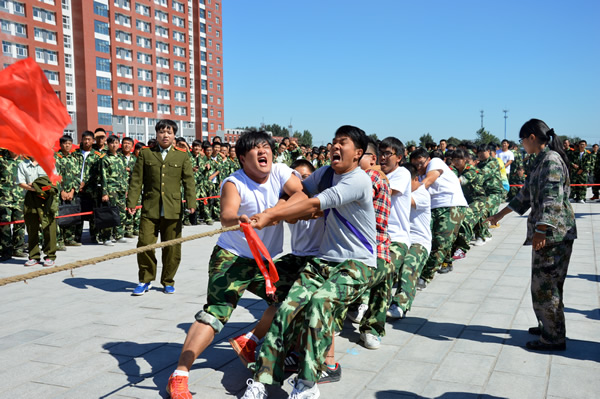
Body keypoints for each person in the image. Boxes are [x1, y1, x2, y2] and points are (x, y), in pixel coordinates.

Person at [165, 130, 304, 399]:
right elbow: (227, 215)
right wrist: (241, 219)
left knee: (295, 300)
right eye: (255, 149)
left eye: (267, 147)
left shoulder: (279, 171)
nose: (263, 152)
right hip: (232, 259)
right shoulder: (233, 182)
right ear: (242, 158)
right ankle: (179, 374)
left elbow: (299, 194)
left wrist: (273, 212)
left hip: (267, 260)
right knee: (215, 314)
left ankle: (250, 341)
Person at [241, 125, 376, 399]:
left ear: (358, 153)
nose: (335, 147)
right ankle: (261, 381)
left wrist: (272, 217)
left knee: (319, 304)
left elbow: (314, 204)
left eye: (343, 143)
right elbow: (300, 191)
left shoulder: (358, 180)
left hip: (357, 263)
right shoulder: (326, 173)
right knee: (285, 310)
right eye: (334, 142)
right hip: (324, 259)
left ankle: (307, 384)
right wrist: (275, 210)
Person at [487, 119, 576, 351]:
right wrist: (499, 215)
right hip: (549, 233)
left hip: (553, 234)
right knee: (544, 283)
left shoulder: (551, 161)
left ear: (532, 138)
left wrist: (541, 230)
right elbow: (525, 195)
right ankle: (548, 325)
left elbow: (552, 199)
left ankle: (553, 337)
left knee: (546, 285)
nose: (522, 145)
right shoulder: (541, 160)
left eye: (522, 140)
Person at [126, 119, 196, 295]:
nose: (165, 135)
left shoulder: (182, 155)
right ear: (156, 134)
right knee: (145, 243)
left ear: (174, 136)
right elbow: (136, 180)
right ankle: (145, 280)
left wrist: (191, 202)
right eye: (162, 132)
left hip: (173, 208)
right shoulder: (146, 154)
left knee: (172, 247)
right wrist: (132, 202)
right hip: (150, 207)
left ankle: (168, 280)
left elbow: (188, 181)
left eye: (169, 132)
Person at [410, 148, 468, 288]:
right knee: (428, 239)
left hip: (451, 206)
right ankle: (445, 262)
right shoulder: (419, 175)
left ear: (428, 160)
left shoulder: (435, 162)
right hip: (433, 208)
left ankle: (424, 277)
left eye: (421, 164)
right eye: (415, 166)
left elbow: (429, 180)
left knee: (441, 242)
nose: (419, 168)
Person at [378, 137, 412, 319]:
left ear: (399, 157)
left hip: (396, 237)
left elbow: (384, 192)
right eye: (380, 153)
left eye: (387, 154)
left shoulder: (402, 174)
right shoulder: (376, 174)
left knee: (383, 270)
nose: (382, 158)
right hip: (374, 236)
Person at [17, 156, 58, 267]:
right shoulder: (23, 165)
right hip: (31, 199)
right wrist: (34, 189)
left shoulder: (49, 164)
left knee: (49, 228)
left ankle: (50, 256)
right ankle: (33, 256)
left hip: (47, 199)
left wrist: (39, 188)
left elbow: (53, 183)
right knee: (32, 229)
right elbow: (21, 183)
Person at [99, 136, 129, 245]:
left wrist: (126, 189)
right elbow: (103, 177)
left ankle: (119, 234)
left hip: (121, 189)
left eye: (116, 143)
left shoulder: (121, 158)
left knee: (121, 213)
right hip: (111, 190)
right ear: (107, 144)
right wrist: (104, 193)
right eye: (112, 143)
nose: (114, 145)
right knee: (110, 213)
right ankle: (106, 237)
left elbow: (125, 175)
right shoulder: (104, 158)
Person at [55, 135, 81, 249]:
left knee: (71, 214)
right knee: (59, 215)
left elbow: (77, 176)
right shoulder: (55, 158)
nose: (67, 145)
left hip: (71, 193)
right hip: (59, 192)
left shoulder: (73, 158)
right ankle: (59, 240)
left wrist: (72, 191)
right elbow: (54, 176)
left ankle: (69, 238)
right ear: (60, 145)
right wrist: (61, 191)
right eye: (65, 143)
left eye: (69, 143)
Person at [0, 149, 26, 261]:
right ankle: (5, 251)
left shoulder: (24, 161)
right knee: (4, 225)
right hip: (4, 198)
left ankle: (18, 249)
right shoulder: (2, 160)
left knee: (19, 224)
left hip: (20, 198)